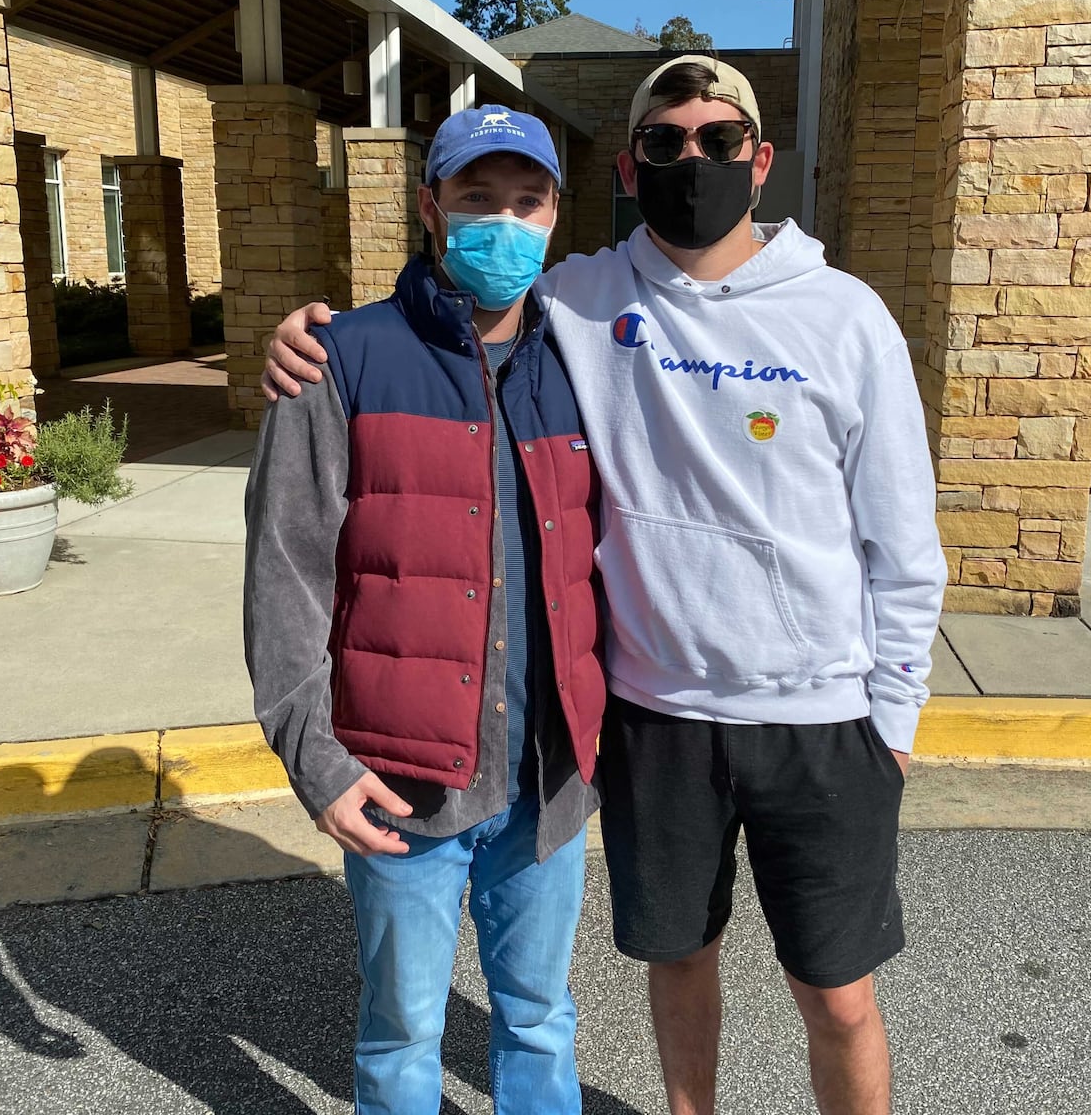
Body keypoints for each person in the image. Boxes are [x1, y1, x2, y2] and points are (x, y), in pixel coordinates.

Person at [262, 57, 946, 1115]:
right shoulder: (578, 300)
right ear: (628, 168)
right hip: (652, 721)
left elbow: (902, 540)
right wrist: (305, 341)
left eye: (718, 141)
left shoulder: (838, 316)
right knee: (661, 973)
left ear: (759, 161)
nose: (692, 161)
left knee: (838, 998)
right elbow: (297, 549)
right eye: (665, 143)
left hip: (807, 721)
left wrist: (894, 711)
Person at [242, 104, 607, 1115]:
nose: (502, 221)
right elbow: (286, 569)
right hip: (401, 787)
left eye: (525, 201)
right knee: (402, 1032)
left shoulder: (590, 365)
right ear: (429, 206)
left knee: (538, 1015)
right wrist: (316, 760)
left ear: (554, 217)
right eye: (475, 198)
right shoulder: (341, 359)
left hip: (548, 778)